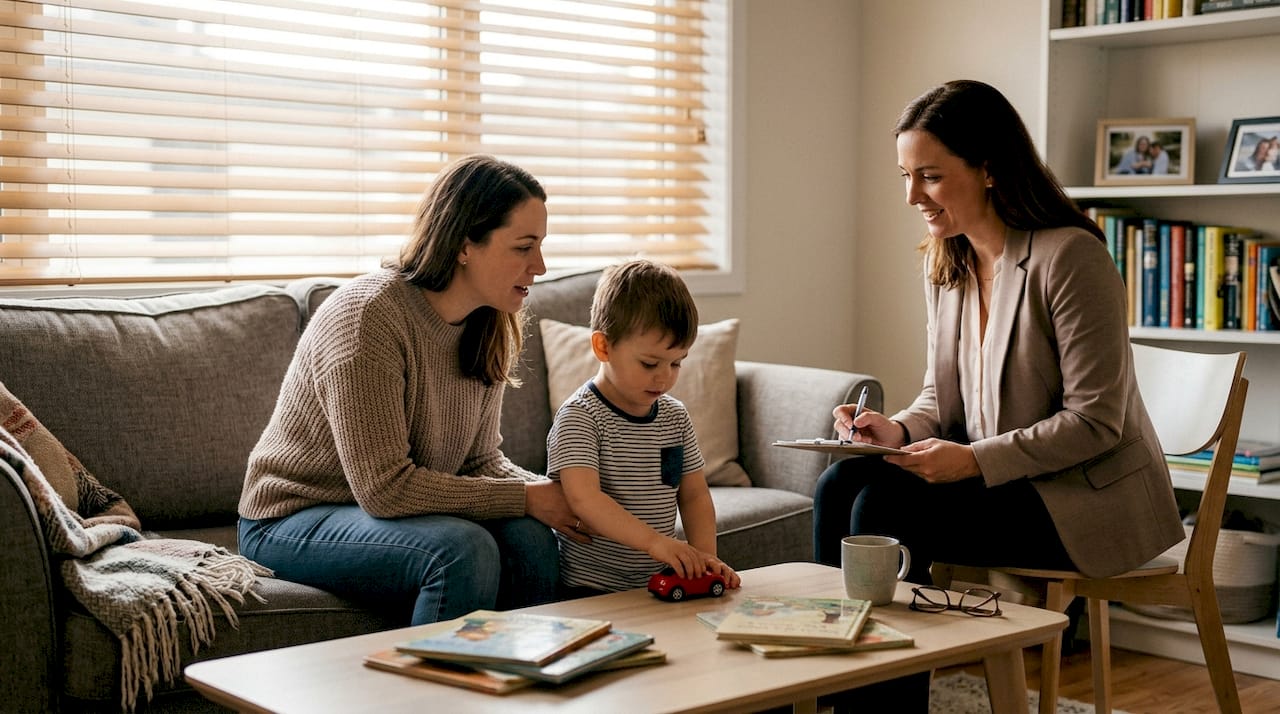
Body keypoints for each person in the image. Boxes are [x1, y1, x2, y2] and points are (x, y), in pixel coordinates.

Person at [812, 81, 1184, 710]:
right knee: (840, 483)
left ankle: (878, 707)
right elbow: (941, 398)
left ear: (988, 168)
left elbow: (1096, 421)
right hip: (1005, 485)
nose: (912, 196)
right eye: (906, 176)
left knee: (885, 508)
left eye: (930, 176)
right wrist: (894, 430)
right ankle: (831, 686)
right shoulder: (947, 262)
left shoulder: (1071, 257)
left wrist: (972, 461)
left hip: (1081, 499)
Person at [237, 154, 586, 626]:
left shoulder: (489, 324)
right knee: (462, 549)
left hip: (384, 512)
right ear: (465, 245)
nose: (540, 266)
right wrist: (526, 496)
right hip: (290, 518)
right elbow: (385, 490)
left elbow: (479, 461)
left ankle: (527, 670)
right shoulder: (368, 318)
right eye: (524, 247)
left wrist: (562, 495)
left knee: (532, 538)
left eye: (540, 246)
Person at [545, 259, 741, 598]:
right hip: (589, 590)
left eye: (676, 362)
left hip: (658, 583)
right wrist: (655, 542)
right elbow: (584, 499)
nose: (664, 377)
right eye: (650, 363)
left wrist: (705, 558)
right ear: (603, 347)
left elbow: (693, 495)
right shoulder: (580, 417)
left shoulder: (675, 417)